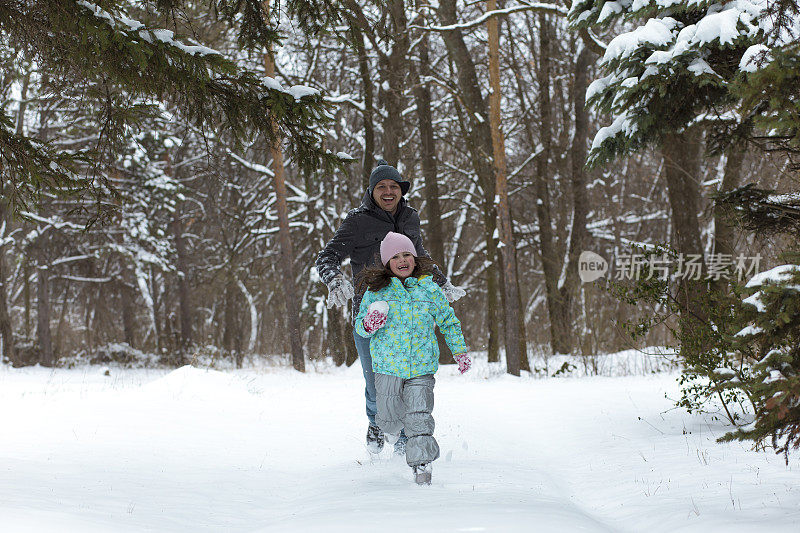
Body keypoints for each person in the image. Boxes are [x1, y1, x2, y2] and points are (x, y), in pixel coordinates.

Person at [315, 160, 465, 455]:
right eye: (381, 186)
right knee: (376, 385)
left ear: (401, 190)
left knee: (412, 383)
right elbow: (327, 256)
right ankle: (376, 422)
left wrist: (442, 283)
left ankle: (408, 439)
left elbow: (419, 256)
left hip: (411, 317)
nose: (387, 191)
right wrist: (334, 280)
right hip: (373, 317)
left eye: (393, 186)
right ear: (371, 192)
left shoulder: (410, 217)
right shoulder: (357, 221)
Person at [354, 232, 471, 485]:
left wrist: (459, 351)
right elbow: (360, 328)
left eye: (407, 254)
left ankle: (422, 468)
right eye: (395, 256)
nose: (402, 260)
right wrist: (369, 323)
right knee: (388, 419)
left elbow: (449, 322)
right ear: (387, 263)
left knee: (419, 416)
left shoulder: (429, 289)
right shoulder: (377, 292)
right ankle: (390, 433)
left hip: (421, 367)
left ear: (415, 258)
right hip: (387, 367)